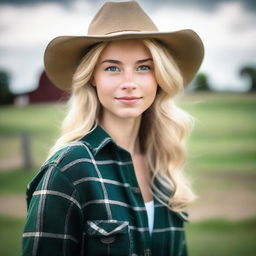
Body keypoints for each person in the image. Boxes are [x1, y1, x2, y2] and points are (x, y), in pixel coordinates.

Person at [22, 1, 204, 255]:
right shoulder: (67, 169)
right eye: (112, 68)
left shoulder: (163, 168)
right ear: (92, 78)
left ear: (160, 77)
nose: (129, 83)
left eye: (143, 67)